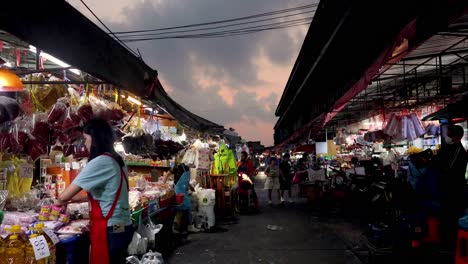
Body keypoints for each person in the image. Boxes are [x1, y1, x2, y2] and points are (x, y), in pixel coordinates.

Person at [56, 118, 132, 264]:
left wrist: (59, 201)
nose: (85, 143)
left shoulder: (101, 161)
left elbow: (64, 196)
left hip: (110, 228)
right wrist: (77, 199)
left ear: (95, 138)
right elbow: (109, 192)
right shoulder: (118, 160)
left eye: (86, 139)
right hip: (122, 226)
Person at [438, 124, 468, 250]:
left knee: (451, 218)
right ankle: (448, 244)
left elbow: (447, 168)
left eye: (449, 135)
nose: (447, 137)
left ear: (457, 137)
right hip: (450, 189)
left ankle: (450, 246)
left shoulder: (457, 150)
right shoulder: (452, 149)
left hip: (454, 191)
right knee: (448, 218)